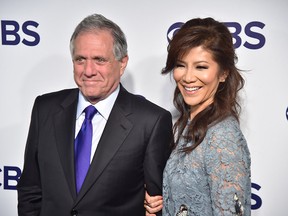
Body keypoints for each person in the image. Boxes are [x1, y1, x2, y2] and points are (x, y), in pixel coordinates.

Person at [17, 13, 173, 216]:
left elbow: (156, 203)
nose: (88, 70)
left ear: (122, 63)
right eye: (80, 59)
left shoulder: (151, 121)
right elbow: (30, 189)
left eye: (100, 60)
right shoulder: (44, 108)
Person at [145, 17, 251, 216]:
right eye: (180, 65)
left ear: (223, 73)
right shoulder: (191, 124)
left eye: (201, 67)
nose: (187, 77)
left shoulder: (223, 137)